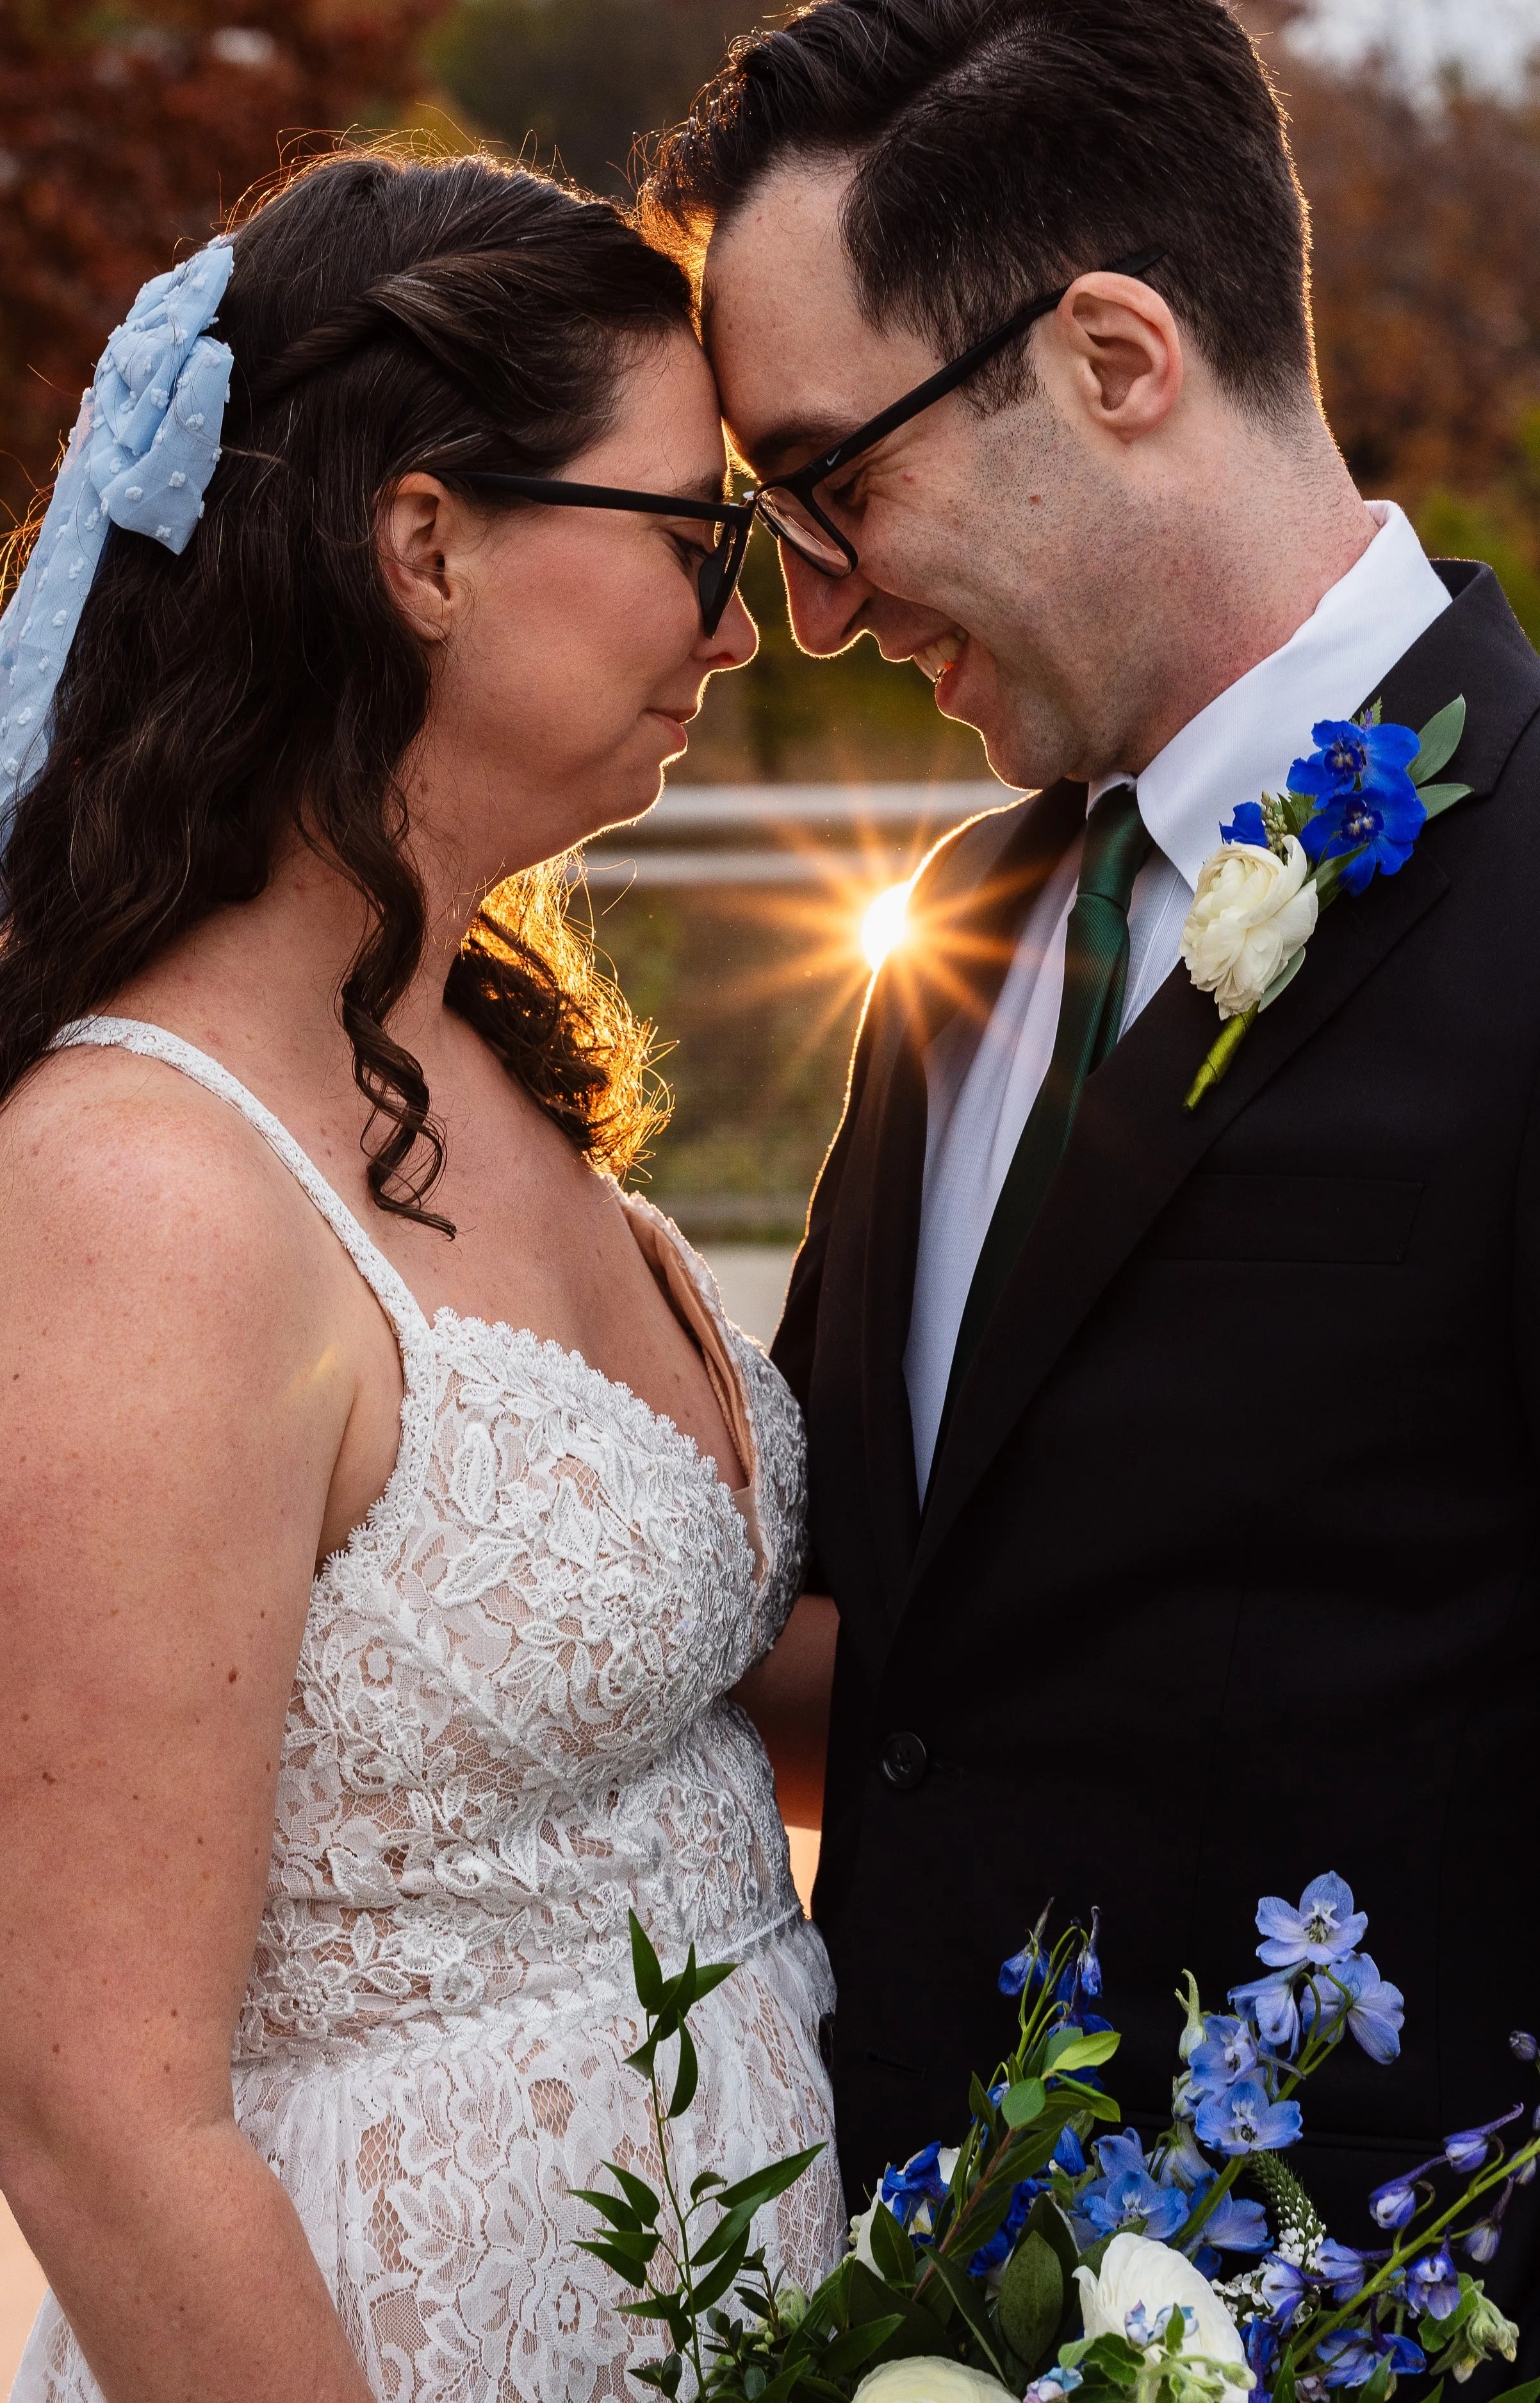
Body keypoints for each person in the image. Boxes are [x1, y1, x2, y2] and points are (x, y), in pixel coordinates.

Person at [643, 0, 1540, 2358]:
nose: (810, 603)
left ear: (1118, 352)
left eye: (831, 478)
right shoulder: (946, 926)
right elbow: (900, 1648)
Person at [0, 145, 843, 2403]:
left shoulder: (477, 1052)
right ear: (423, 540)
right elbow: (94, 2116)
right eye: (693, 535)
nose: (738, 627)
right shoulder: (142, 1192)